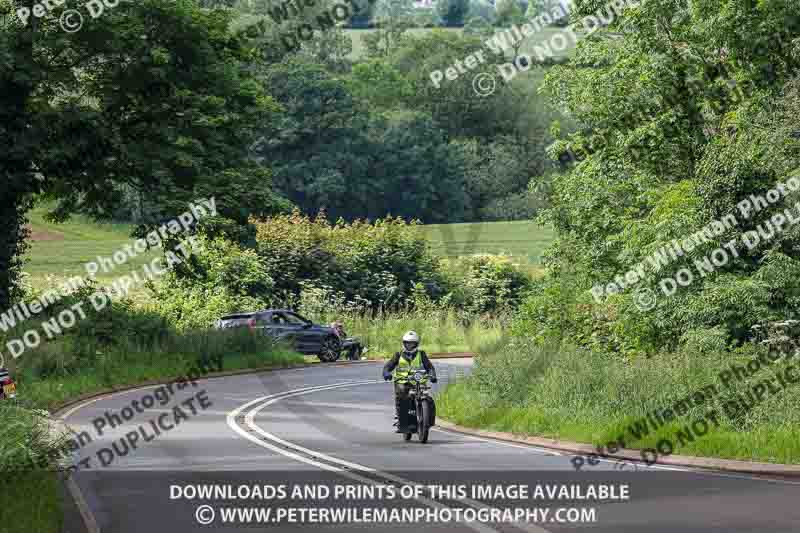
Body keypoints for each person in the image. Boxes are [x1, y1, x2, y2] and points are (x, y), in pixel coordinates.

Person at [382, 331, 437, 432]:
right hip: (402, 382)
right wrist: (386, 373)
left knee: (429, 400)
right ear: (404, 343)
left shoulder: (421, 354)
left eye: (412, 343)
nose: (409, 345)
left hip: (418, 381)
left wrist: (432, 375)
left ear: (416, 344)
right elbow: (388, 366)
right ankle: (402, 422)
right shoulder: (398, 354)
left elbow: (429, 367)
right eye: (407, 343)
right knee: (402, 397)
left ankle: (428, 422)